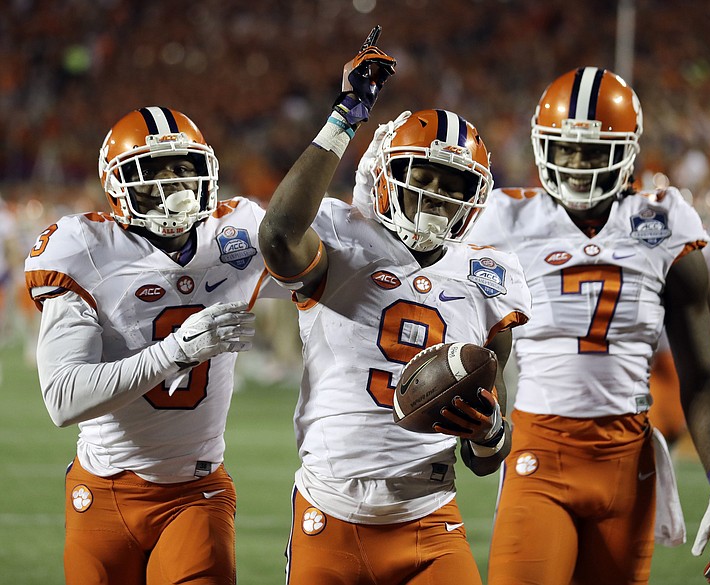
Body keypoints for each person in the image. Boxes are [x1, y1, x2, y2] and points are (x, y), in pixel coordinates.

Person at [469, 67, 710, 584]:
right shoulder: (506, 219)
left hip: (627, 461)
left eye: (592, 153)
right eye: (565, 150)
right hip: (539, 451)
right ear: (543, 148)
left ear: (626, 152)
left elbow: (701, 372)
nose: (578, 167)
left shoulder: (666, 222)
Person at [257, 29, 531, 584]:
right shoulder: (341, 235)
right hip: (329, 510)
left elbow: (487, 456)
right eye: (422, 174)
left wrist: (487, 432)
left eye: (453, 182)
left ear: (473, 196)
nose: (435, 192)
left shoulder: (489, 275)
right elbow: (279, 236)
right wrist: (345, 116)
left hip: (428, 518)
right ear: (386, 174)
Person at [24, 106, 285, 585]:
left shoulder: (239, 233)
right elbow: (62, 400)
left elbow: (332, 276)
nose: (174, 187)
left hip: (196, 488)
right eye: (154, 173)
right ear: (119, 185)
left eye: (184, 169)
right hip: (104, 489)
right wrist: (176, 351)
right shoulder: (84, 248)